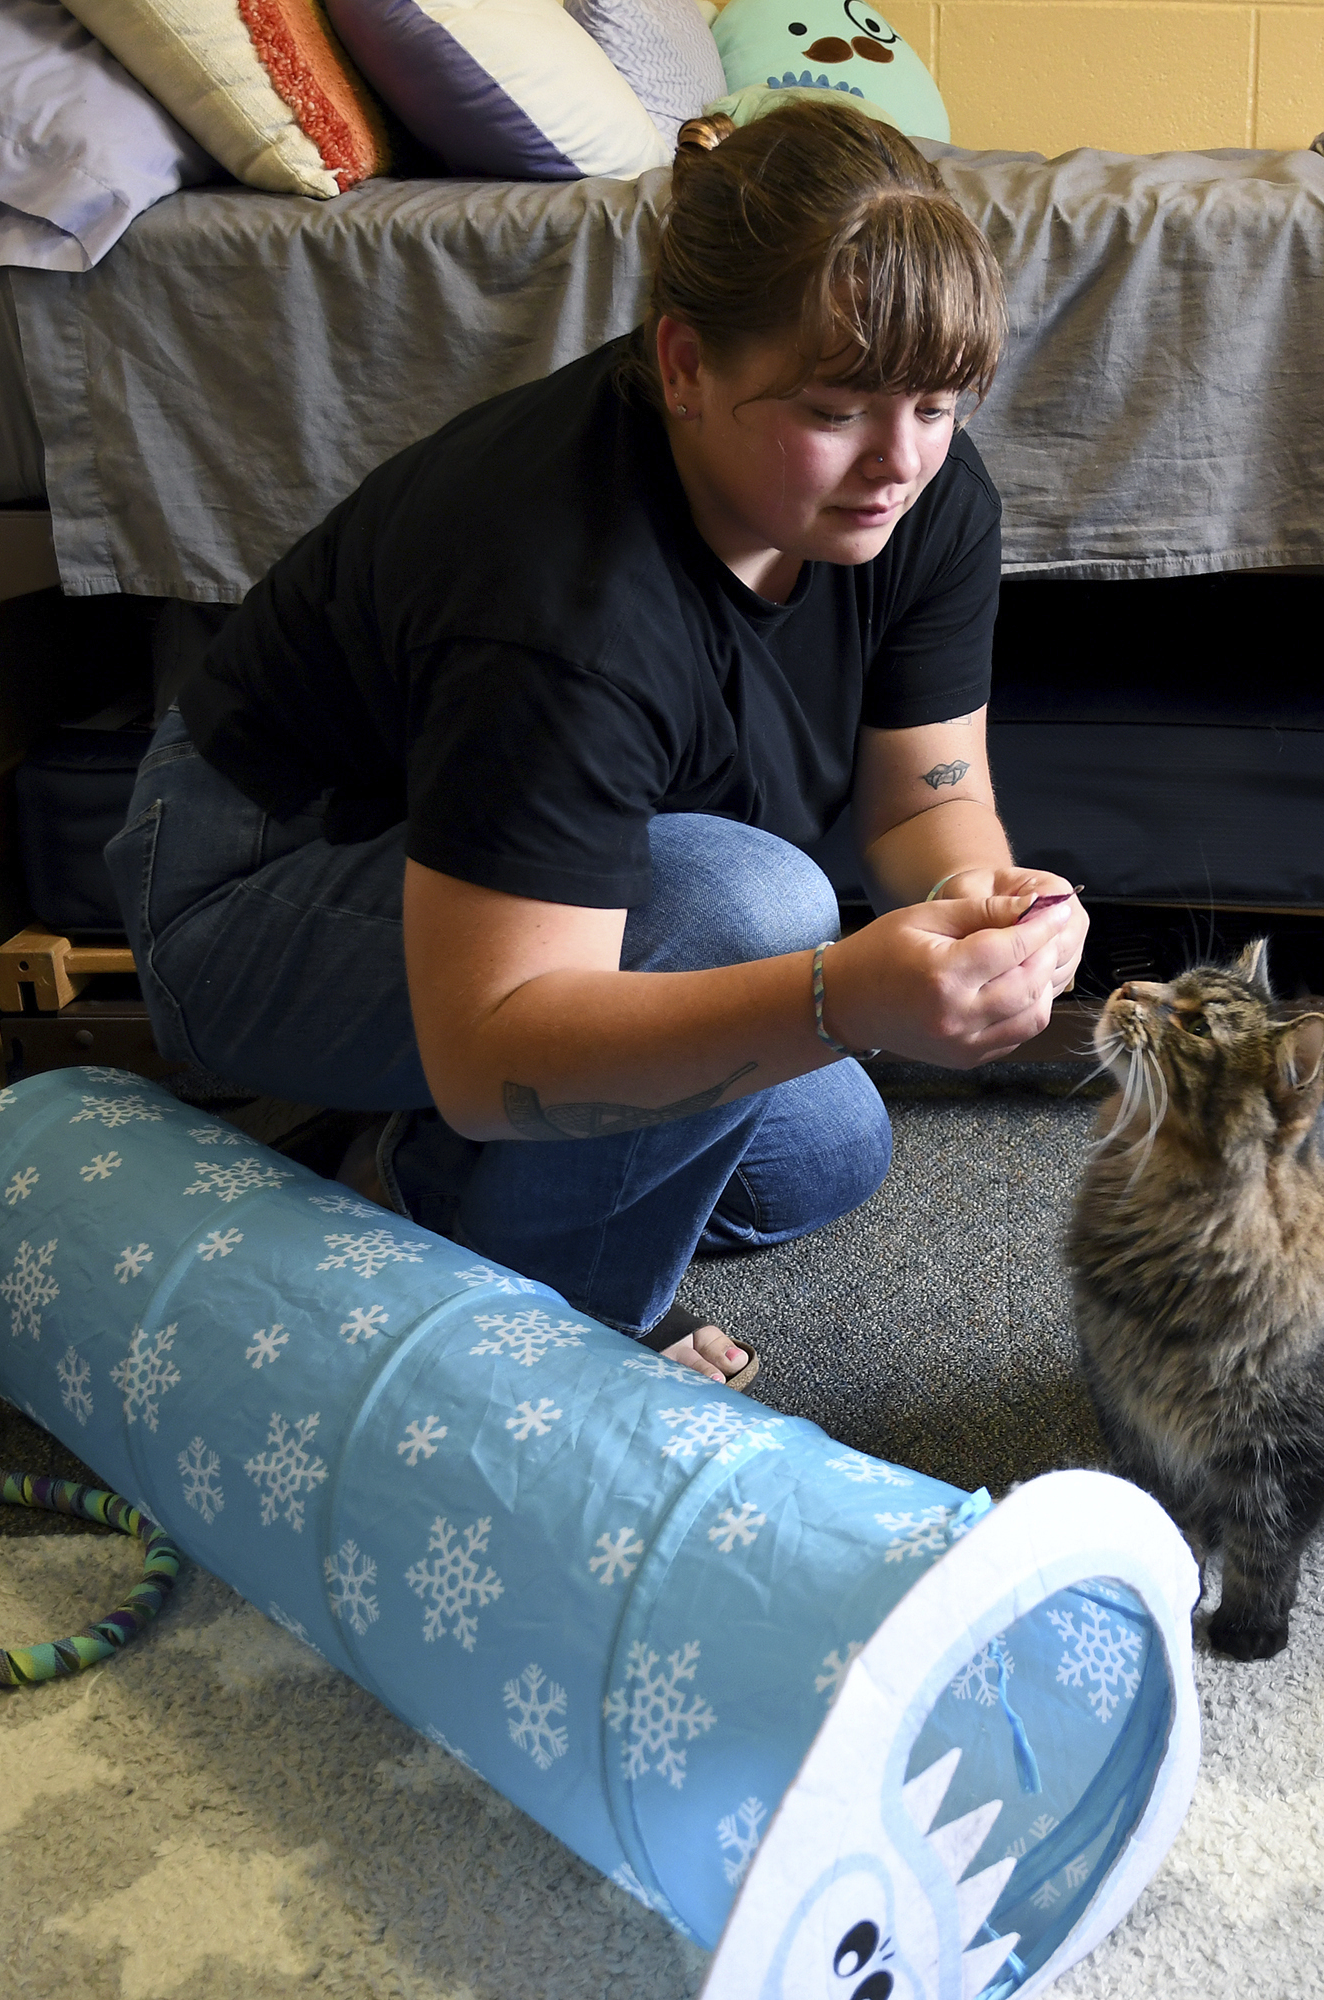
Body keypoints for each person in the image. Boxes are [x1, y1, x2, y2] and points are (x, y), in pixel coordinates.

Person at [105, 102, 1087, 1389]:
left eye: (938, 405)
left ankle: (382, 1186)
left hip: (502, 896)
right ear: (683, 366)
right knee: (758, 912)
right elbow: (491, 1051)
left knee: (828, 1149)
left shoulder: (926, 501)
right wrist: (842, 994)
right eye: (836, 408)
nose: (897, 463)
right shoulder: (558, 589)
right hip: (255, 885)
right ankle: (546, 1352)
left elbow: (923, 805)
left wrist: (985, 900)